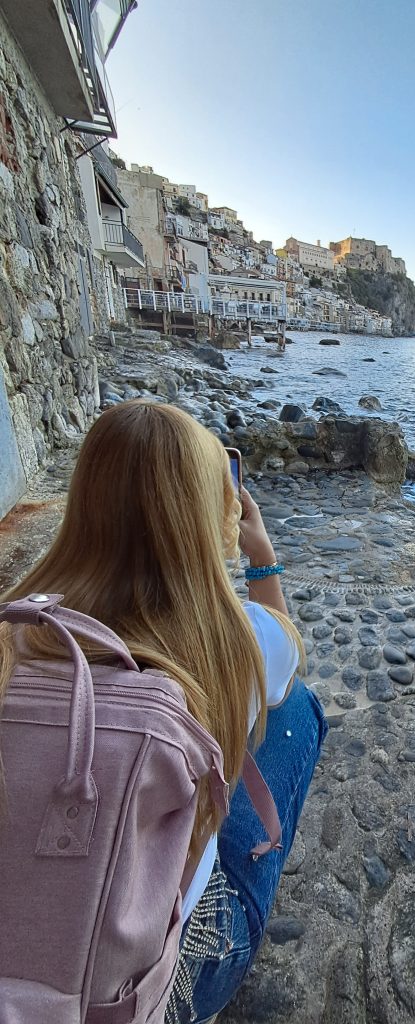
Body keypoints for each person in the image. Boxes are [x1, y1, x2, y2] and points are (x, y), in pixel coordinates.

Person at [0, 400, 327, 1024]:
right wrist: (258, 553)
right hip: (149, 990)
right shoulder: (238, 641)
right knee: (297, 711)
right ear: (209, 516)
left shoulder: (15, 626)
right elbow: (285, 654)